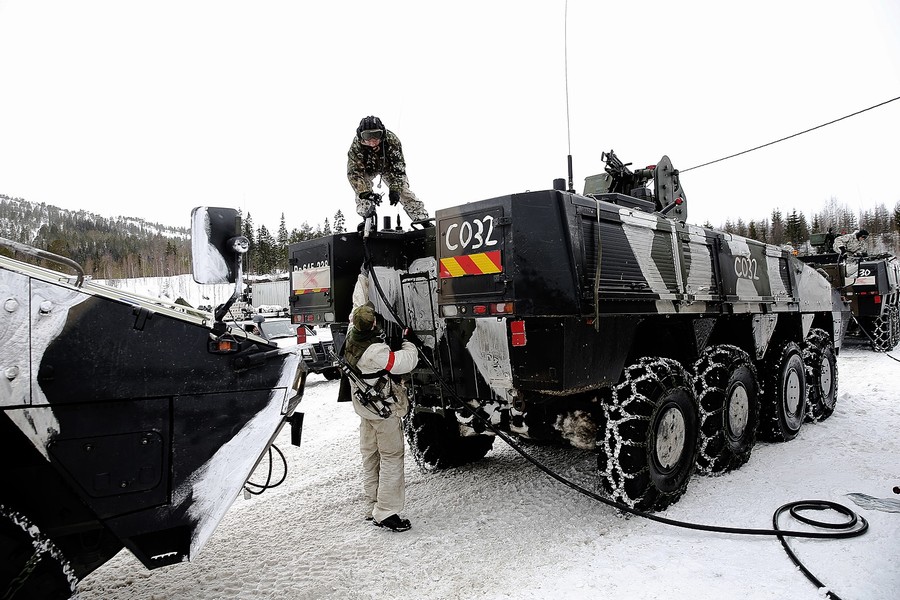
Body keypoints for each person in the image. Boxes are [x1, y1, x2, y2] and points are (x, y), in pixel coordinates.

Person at [344, 302, 419, 532]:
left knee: (371, 455)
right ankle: (386, 512)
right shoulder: (375, 352)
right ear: (373, 324)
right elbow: (405, 362)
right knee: (391, 456)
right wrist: (409, 342)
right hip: (382, 411)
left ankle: (372, 505)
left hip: (366, 411)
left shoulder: (351, 336)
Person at [347, 115, 429, 224]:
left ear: (382, 134)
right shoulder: (356, 147)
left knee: (404, 192)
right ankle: (367, 219)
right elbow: (354, 174)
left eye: (376, 135)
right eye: (367, 137)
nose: (372, 141)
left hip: (388, 168)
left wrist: (395, 189)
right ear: (361, 136)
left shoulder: (392, 141)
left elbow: (399, 169)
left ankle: (423, 219)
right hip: (366, 169)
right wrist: (366, 194)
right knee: (362, 189)